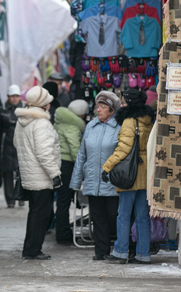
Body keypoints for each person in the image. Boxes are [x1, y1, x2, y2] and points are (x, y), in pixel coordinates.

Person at [102, 89, 154, 264]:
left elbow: (124, 148)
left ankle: (121, 251)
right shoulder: (148, 119)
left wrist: (107, 167)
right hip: (146, 172)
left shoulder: (129, 121)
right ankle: (143, 253)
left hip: (129, 173)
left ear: (130, 103)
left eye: (123, 102)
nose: (121, 105)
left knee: (123, 214)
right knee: (142, 215)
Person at [69, 92, 121, 260]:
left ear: (112, 110)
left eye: (103, 107)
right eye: (97, 106)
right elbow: (81, 156)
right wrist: (76, 182)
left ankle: (120, 250)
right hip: (93, 182)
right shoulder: (91, 126)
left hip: (112, 182)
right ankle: (101, 251)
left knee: (115, 217)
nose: (98, 110)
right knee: (97, 219)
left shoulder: (120, 127)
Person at [13, 86, 62, 260]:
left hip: (29, 175)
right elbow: (44, 153)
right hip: (42, 177)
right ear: (44, 104)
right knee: (41, 215)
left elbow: (17, 144)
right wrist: (55, 174)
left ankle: (30, 248)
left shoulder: (22, 120)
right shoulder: (42, 123)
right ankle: (32, 250)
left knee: (34, 213)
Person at [54, 99, 87, 244]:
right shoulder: (72, 126)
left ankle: (60, 230)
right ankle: (63, 234)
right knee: (65, 201)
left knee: (61, 200)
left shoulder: (60, 121)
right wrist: (83, 169)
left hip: (59, 163)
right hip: (67, 165)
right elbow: (75, 151)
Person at [0, 84, 24, 208]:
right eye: (12, 96)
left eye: (16, 96)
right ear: (8, 97)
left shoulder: (25, 110)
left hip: (21, 144)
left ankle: (21, 196)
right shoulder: (2, 110)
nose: (14, 99)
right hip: (6, 144)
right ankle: (10, 199)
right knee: (7, 172)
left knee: (22, 171)